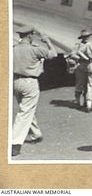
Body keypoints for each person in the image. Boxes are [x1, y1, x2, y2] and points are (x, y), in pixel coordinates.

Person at [12, 25, 57, 156]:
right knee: (24, 112)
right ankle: (15, 143)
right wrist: (48, 41)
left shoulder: (14, 49)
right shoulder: (35, 50)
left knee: (25, 108)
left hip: (16, 82)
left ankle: (36, 134)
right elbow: (53, 54)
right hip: (30, 82)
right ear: (30, 35)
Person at [67, 29, 92, 107]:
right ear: (82, 38)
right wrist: (80, 57)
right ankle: (77, 100)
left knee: (88, 84)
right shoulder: (78, 45)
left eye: (88, 36)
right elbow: (72, 54)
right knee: (79, 84)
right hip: (80, 65)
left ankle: (86, 101)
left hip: (89, 66)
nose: (86, 38)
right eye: (85, 37)